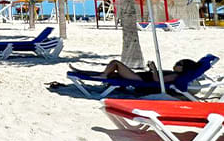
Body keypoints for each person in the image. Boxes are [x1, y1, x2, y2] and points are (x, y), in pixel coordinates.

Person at [70, 59, 198, 83]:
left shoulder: (175, 76)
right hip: (141, 76)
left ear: (184, 68)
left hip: (141, 80)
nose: (176, 64)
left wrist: (153, 70)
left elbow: (158, 82)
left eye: (179, 64)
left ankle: (102, 76)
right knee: (112, 74)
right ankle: (82, 72)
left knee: (115, 63)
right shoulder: (174, 73)